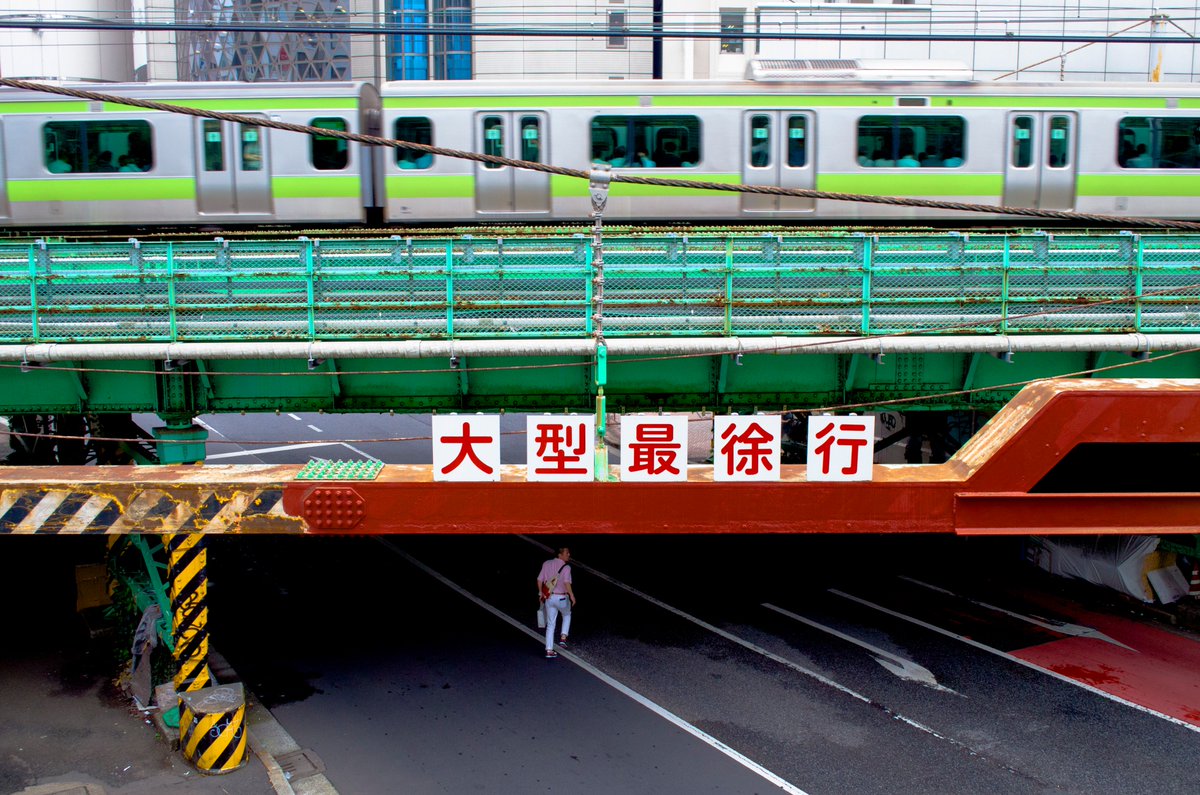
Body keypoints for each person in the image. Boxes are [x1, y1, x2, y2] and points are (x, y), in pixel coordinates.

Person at [537, 546, 575, 658]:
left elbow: (539, 579)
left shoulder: (546, 563)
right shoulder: (566, 567)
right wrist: (572, 595)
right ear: (560, 554)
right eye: (567, 553)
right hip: (562, 598)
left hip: (549, 597)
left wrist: (540, 593)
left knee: (550, 624)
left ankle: (549, 650)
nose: (569, 554)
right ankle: (563, 638)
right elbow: (567, 583)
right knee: (567, 614)